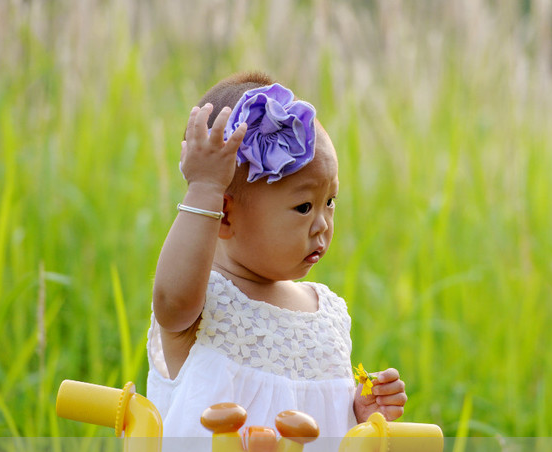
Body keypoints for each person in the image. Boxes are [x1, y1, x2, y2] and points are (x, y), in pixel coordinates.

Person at [146, 71, 407, 446]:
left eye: (329, 202)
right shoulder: (200, 305)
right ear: (224, 213)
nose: (322, 225)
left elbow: (324, 421)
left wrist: (358, 413)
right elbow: (171, 301)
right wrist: (203, 188)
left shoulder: (328, 313)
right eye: (303, 206)